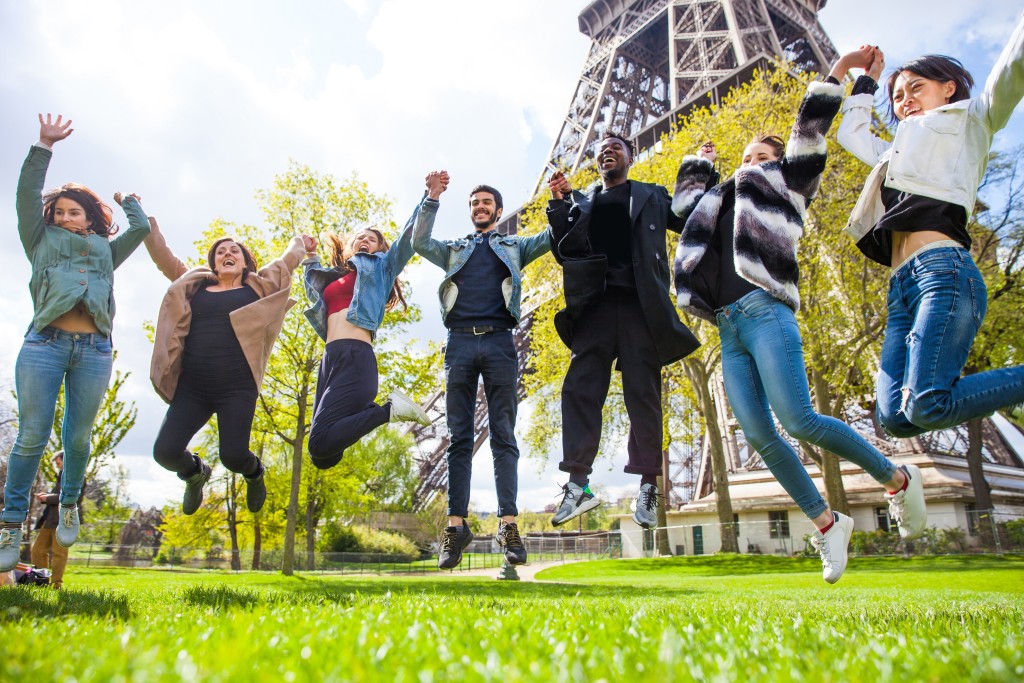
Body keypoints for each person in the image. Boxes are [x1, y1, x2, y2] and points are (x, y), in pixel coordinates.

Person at [672, 56, 927, 584]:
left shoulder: (789, 181)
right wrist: (699, 163)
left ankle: (896, 477)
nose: (749, 161)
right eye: (744, 156)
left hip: (766, 312)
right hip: (727, 326)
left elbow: (807, 127)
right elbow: (682, 208)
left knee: (799, 420)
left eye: (760, 154)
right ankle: (828, 522)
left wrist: (841, 70)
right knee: (764, 438)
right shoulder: (716, 201)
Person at [836, 16, 1024, 439]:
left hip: (943, 272)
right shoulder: (895, 155)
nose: (905, 101)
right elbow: (851, 135)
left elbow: (1013, 67)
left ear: (949, 88)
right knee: (894, 418)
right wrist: (867, 79)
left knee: (928, 402)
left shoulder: (973, 119)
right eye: (898, 96)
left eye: (916, 88)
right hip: (900, 288)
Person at [1, 114, 151, 573]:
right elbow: (27, 192)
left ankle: (70, 504)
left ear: (90, 218)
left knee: (79, 437)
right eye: (59, 212)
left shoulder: (106, 250)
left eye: (74, 212)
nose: (64, 217)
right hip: (44, 345)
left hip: (93, 350)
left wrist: (129, 203)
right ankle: (10, 524)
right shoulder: (39, 239)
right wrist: (43, 146)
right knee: (32, 434)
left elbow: (140, 231)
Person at [545, 132, 700, 531]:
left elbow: (689, 220)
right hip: (595, 305)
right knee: (579, 389)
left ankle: (648, 484)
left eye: (615, 147)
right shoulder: (582, 201)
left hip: (640, 306)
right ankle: (578, 485)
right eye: (600, 150)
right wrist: (561, 204)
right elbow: (564, 250)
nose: (606, 152)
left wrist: (698, 171)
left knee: (643, 395)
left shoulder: (651, 194)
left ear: (630, 157)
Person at [414, 178, 550, 569]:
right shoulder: (456, 249)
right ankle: (456, 527)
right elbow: (421, 242)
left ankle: (507, 524)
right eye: (474, 202)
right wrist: (432, 198)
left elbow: (551, 236)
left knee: (503, 435)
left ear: (497, 209)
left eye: (487, 202)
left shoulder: (515, 246)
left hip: (499, 342)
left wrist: (561, 200)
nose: (480, 207)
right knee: (459, 437)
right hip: (458, 342)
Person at [145, 217, 308, 515]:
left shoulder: (257, 287)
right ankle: (195, 473)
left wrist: (301, 244)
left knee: (233, 456)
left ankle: (255, 472)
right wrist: (147, 225)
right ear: (213, 263)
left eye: (234, 250)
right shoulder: (193, 285)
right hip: (194, 387)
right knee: (165, 453)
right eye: (220, 252)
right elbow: (164, 257)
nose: (227, 254)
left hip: (237, 387)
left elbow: (286, 262)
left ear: (246, 262)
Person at [302, 176, 441, 470]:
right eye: (360, 237)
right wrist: (311, 256)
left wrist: (430, 197)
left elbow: (408, 237)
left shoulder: (382, 268)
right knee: (322, 457)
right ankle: (379, 412)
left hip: (356, 357)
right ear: (351, 246)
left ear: (380, 248)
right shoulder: (336, 276)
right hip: (330, 359)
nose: (365, 240)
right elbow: (313, 293)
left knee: (319, 441)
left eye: (372, 238)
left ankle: (389, 410)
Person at [31, 451, 78, 589]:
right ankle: (41, 580)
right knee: (37, 550)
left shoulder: (76, 476)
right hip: (50, 519)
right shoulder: (60, 476)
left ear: (66, 461)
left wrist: (47, 498)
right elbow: (58, 495)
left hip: (64, 520)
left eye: (58, 463)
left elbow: (71, 497)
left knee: (59, 553)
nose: (57, 466)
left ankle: (56, 583)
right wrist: (47, 496)